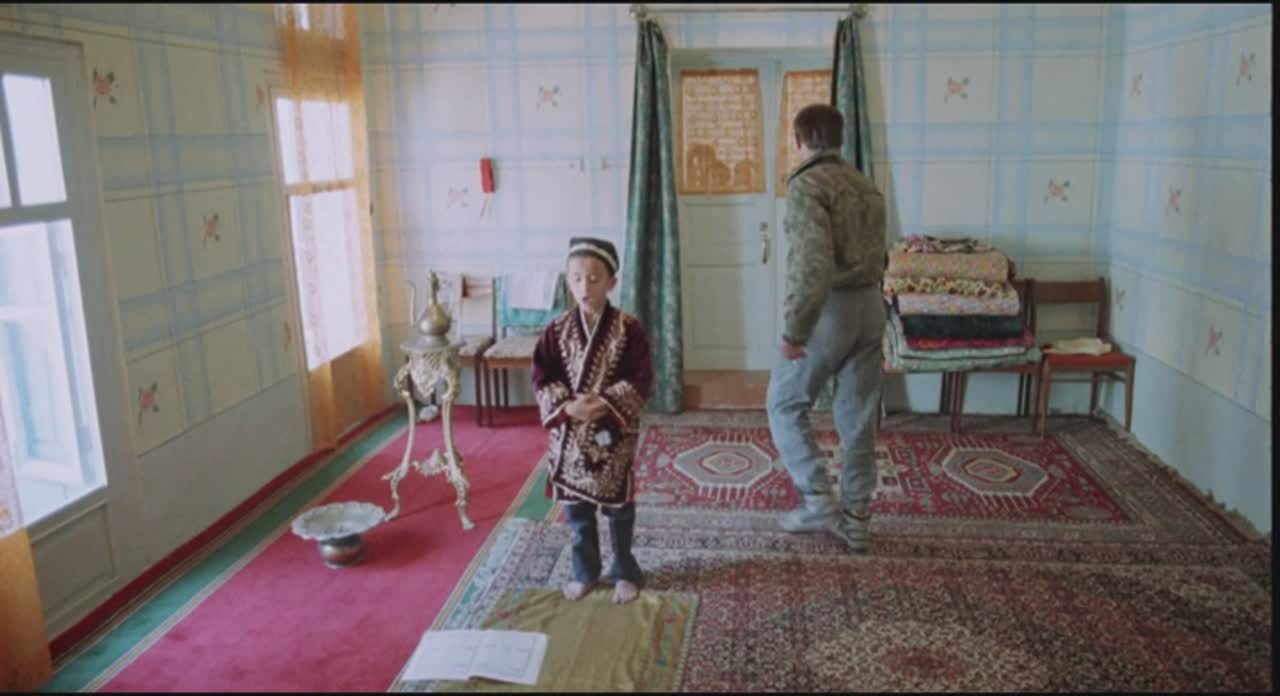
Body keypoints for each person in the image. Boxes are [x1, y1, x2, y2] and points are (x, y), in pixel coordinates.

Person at [766, 103, 888, 553]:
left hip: (830, 312)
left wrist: (794, 331)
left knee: (784, 404)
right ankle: (857, 519)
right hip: (871, 305)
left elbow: (812, 266)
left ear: (798, 140)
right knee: (858, 418)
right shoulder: (866, 185)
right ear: (839, 138)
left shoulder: (806, 185)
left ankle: (817, 499)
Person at [530, 237, 654, 603]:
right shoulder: (556, 331)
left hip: (612, 433)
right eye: (577, 278)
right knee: (577, 512)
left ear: (611, 282)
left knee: (619, 508)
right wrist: (568, 407)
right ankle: (585, 572)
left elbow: (641, 378)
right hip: (569, 436)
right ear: (568, 282)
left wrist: (602, 403)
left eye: (595, 278)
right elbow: (542, 376)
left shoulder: (628, 329)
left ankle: (625, 571)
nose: (585, 287)